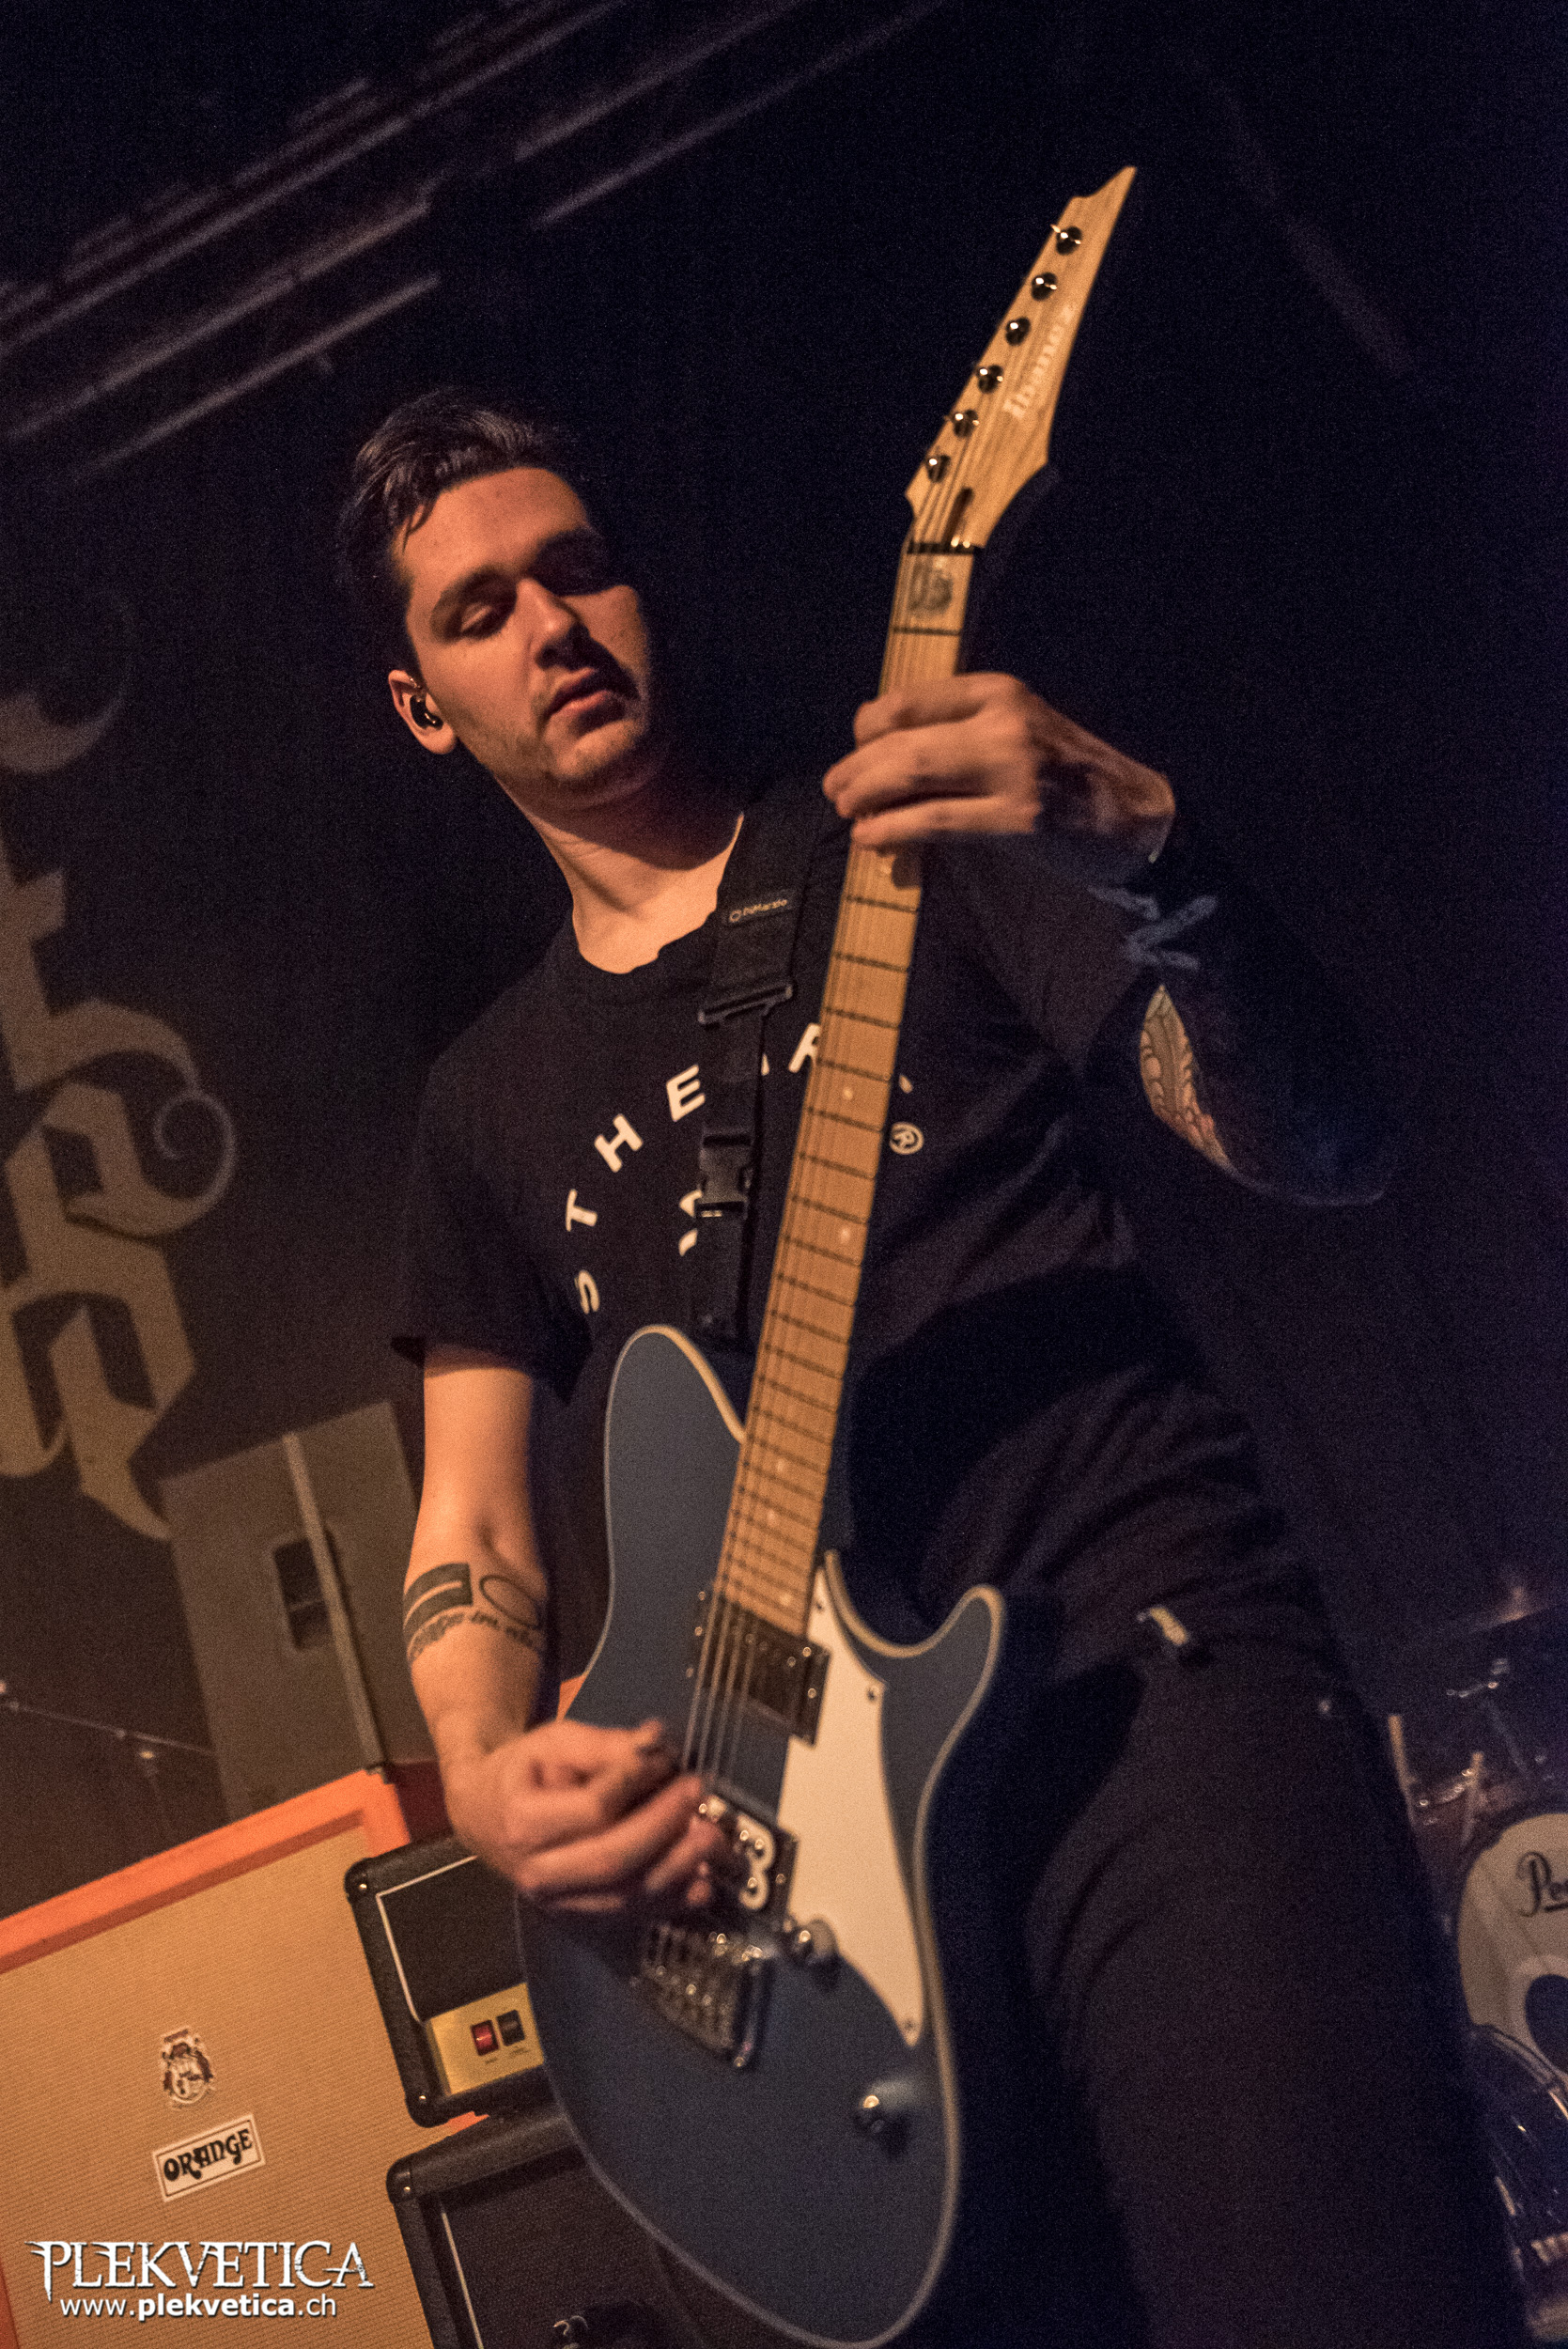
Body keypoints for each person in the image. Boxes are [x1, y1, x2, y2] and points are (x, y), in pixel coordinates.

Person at [338, 388, 1523, 2346]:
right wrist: (482, 1772)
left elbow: (1319, 1146)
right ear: (421, 704)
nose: (549, 624)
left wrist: (1152, 849)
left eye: (576, 568)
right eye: (480, 610)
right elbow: (471, 1524)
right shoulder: (483, 1105)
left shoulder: (913, 849)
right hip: (783, 1856)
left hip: (1133, 1687)